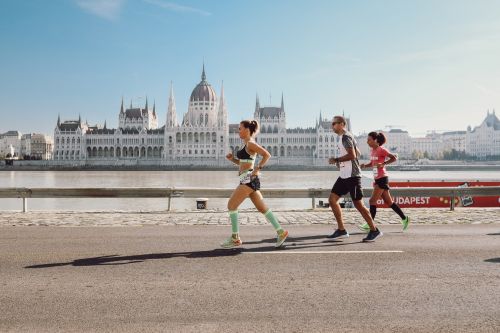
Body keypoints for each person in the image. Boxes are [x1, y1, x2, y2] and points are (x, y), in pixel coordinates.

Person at [220, 120, 289, 248]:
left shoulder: (251, 143)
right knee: (262, 208)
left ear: (247, 129)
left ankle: (235, 238)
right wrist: (232, 159)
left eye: (240, 128)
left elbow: (266, 155)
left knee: (231, 205)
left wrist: (258, 168)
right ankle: (281, 232)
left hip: (248, 179)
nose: (238, 131)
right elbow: (243, 162)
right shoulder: (245, 144)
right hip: (248, 179)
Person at [327, 116, 382, 242]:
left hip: (352, 175)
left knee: (359, 205)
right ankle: (341, 230)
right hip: (344, 175)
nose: (332, 126)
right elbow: (358, 153)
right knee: (332, 199)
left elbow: (352, 155)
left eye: (334, 124)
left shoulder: (346, 137)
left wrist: (336, 160)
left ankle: (374, 230)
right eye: (332, 124)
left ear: (342, 124)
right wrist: (341, 162)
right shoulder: (346, 136)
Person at [359, 131, 410, 231]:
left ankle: (370, 225)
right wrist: (365, 165)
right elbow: (373, 163)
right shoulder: (373, 151)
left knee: (372, 201)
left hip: (382, 178)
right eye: (367, 140)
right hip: (377, 178)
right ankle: (405, 219)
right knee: (389, 202)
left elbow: (394, 158)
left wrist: (383, 164)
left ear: (376, 140)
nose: (367, 142)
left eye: (369, 140)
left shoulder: (381, 149)